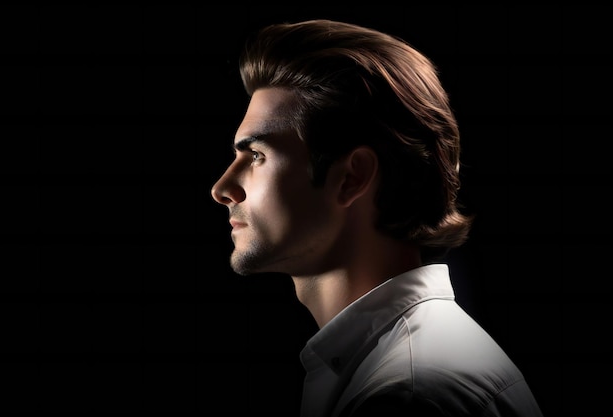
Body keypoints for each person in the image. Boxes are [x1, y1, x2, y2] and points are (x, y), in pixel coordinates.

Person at [210, 19, 543, 417]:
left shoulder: (410, 394)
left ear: (352, 178)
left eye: (258, 156)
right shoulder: (392, 367)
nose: (222, 187)